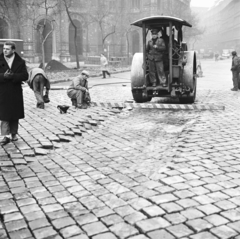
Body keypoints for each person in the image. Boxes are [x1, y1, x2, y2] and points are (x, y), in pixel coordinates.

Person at [0, 41, 29, 145]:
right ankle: (4, 135)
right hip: (2, 91)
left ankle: (14, 133)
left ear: (13, 50)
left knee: (14, 113)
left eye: (7, 49)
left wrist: (13, 76)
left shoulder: (20, 62)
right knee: (3, 114)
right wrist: (3, 76)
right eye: (4, 49)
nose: (4, 51)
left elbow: (25, 76)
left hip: (15, 91)